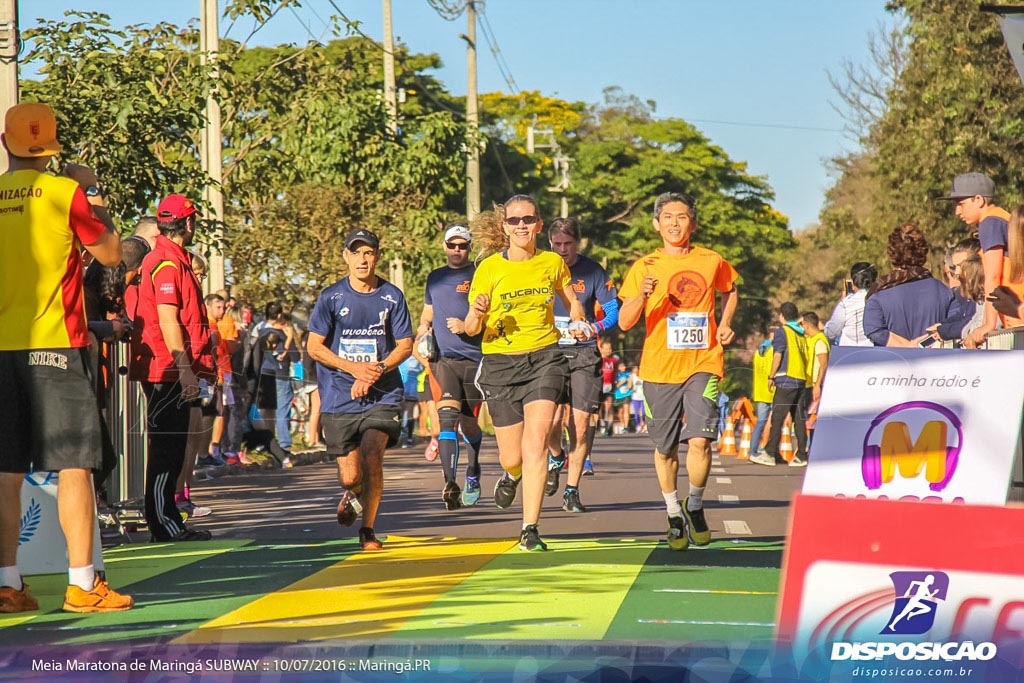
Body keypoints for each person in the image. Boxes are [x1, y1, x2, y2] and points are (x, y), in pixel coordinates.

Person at [0, 102, 133, 613]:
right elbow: (111, 254)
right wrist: (93, 190)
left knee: (5, 470)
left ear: (6, 142)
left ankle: (7, 584)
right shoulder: (65, 193)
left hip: (2, 349)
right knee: (74, 465)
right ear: (51, 148)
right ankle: (82, 584)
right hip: (56, 343)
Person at [464, 195, 590, 552]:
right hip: (501, 362)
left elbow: (572, 299)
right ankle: (511, 475)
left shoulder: (551, 262)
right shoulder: (488, 268)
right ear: (504, 227)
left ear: (538, 224)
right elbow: (473, 328)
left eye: (528, 220)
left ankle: (529, 528)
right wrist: (477, 311)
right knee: (512, 456)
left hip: (545, 358)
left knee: (536, 444)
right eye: (514, 220)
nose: (521, 226)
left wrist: (578, 318)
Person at [619, 191, 738, 551]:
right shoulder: (644, 266)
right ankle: (673, 512)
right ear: (656, 224)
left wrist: (726, 323)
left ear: (693, 222)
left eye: (682, 217)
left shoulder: (711, 260)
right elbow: (625, 322)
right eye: (667, 217)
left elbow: (731, 290)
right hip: (658, 368)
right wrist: (641, 295)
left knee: (701, 439)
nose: (674, 223)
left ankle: (696, 504)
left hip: (703, 361)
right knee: (665, 448)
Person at [306, 228, 413, 551]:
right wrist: (354, 369)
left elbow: (406, 345)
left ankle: (367, 529)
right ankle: (352, 493)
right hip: (340, 394)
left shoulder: (391, 296)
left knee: (372, 455)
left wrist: (377, 369)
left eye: (369, 253)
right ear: (346, 257)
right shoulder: (331, 297)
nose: (363, 260)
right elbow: (313, 347)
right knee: (351, 476)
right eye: (356, 253)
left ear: (377, 256)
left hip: (383, 393)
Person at [130, 193, 216, 542]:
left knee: (174, 447)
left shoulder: (173, 259)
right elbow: (168, 318)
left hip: (173, 368)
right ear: (189, 223)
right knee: (166, 449)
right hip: (167, 370)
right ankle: (163, 523)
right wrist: (184, 368)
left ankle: (169, 520)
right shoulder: (166, 261)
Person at [544, 217, 620, 511]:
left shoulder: (592, 271)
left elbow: (613, 310)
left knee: (580, 422)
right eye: (557, 244)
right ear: (550, 243)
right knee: (550, 420)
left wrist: (594, 328)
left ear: (578, 242)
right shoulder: (541, 267)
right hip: (548, 351)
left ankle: (572, 489)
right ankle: (555, 455)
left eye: (568, 244)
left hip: (583, 351)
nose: (563, 249)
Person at [418, 224, 486, 509]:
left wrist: (466, 327)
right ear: (444, 246)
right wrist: (423, 330)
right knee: (447, 419)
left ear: (469, 247)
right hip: (443, 360)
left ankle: (473, 468)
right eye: (452, 245)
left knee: (469, 425)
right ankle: (450, 483)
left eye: (462, 245)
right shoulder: (435, 278)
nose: (457, 250)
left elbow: (490, 315)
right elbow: (427, 315)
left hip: (476, 360)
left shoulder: (481, 274)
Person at [939, 173, 1013, 344]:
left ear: (978, 199)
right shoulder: (1000, 217)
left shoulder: (990, 222)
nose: (957, 211)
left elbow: (993, 276)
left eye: (961, 204)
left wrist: (988, 324)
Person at [863, 223, 954, 347]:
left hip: (894, 363)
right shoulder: (945, 292)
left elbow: (873, 329)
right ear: (923, 252)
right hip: (935, 362)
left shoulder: (878, 296)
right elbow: (955, 325)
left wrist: (908, 346)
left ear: (892, 254)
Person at [750, 303, 808, 468]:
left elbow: (778, 354)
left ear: (782, 316)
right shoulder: (801, 334)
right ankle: (801, 454)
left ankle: (769, 453)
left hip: (786, 379)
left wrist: (771, 375)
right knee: (798, 418)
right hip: (800, 379)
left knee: (777, 418)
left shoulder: (783, 332)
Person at [255, 301, 297, 466]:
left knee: (267, 411)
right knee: (282, 410)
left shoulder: (259, 329)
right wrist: (289, 339)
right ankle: (284, 444)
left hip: (263, 373)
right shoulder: (277, 333)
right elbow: (279, 355)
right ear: (280, 315)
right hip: (278, 373)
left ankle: (268, 443)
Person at [798, 311, 829, 460]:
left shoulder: (820, 340)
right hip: (809, 383)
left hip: (816, 385)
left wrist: (817, 385)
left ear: (807, 325)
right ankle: (811, 449)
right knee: (810, 419)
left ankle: (814, 450)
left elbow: (823, 364)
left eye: (801, 324)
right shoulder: (811, 339)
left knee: (814, 419)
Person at [823, 262, 876, 346]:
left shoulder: (846, 304)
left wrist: (842, 301)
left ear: (853, 282)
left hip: (850, 353)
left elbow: (831, 332)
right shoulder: (882, 299)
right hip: (878, 353)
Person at [749, 326, 776, 458]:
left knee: (760, 423)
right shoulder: (774, 351)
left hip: (760, 391)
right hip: (773, 390)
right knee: (775, 423)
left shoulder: (759, 351)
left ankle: (752, 451)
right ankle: (769, 451)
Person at [630, 366, 646, 434]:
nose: (636, 370)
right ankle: (638, 425)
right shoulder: (632, 376)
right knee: (636, 413)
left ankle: (644, 426)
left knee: (643, 413)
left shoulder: (644, 376)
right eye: (634, 369)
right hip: (635, 397)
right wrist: (631, 388)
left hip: (643, 397)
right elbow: (629, 385)